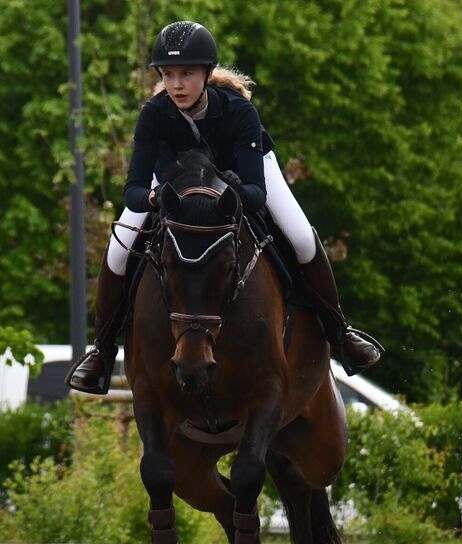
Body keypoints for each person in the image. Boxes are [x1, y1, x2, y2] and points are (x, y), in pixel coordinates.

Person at [68, 21, 383, 395]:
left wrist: (226, 192)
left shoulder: (238, 112)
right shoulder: (154, 113)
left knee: (300, 236)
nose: (177, 85)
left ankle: (340, 333)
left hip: (245, 177)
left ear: (206, 74)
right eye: (168, 75)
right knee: (119, 247)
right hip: (173, 184)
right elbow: (133, 189)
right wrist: (153, 199)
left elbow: (255, 194)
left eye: (186, 74)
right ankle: (102, 351)